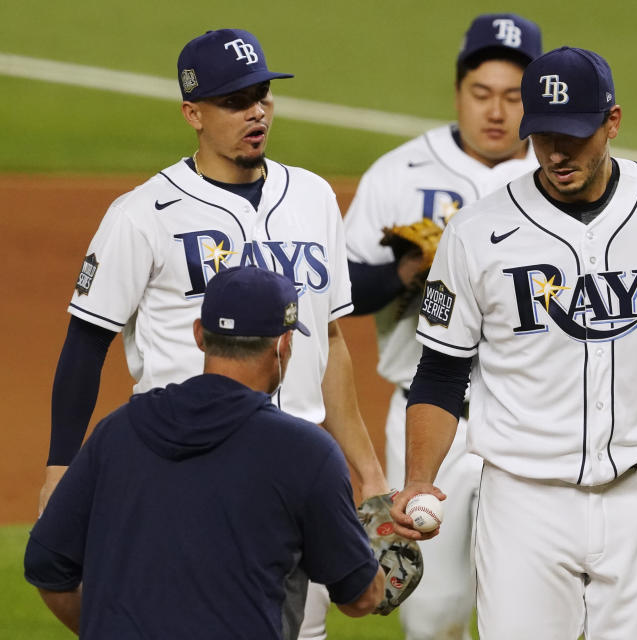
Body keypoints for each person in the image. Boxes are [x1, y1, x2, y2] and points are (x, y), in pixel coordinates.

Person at [389, 48, 637, 639]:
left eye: (572, 133)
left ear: (612, 122)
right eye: (542, 134)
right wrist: (420, 478)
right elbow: (441, 371)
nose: (555, 152)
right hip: (523, 507)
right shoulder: (477, 233)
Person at [38, 28, 389, 639]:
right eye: (234, 100)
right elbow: (85, 342)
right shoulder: (141, 215)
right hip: (181, 466)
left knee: (299, 630)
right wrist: (58, 469)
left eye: (262, 95)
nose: (255, 111)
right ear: (192, 114)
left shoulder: (312, 197)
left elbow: (329, 342)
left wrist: (371, 474)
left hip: (292, 469)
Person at [24, 267, 385, 638]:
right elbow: (360, 598)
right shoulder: (307, 453)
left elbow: (46, 566)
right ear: (284, 345)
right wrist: (374, 557)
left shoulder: (118, 430)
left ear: (200, 335)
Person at [342, 13, 542, 639]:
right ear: (458, 92)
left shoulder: (565, 175)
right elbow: (341, 295)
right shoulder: (399, 173)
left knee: (537, 613)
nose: (496, 111)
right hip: (432, 421)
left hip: (533, 421)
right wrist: (413, 265)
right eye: (482, 94)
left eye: (514, 96)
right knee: (434, 616)